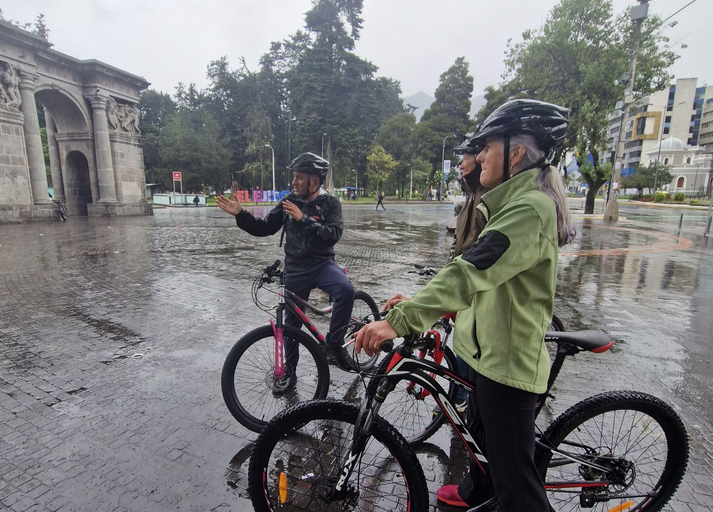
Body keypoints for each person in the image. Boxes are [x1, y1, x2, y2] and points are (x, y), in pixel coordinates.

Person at [354, 99, 573, 512]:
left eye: (487, 146)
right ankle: (476, 493)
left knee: (519, 490)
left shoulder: (529, 209)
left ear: (516, 153)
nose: (481, 155)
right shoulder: (510, 201)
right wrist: (427, 304)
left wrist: (401, 320)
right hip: (485, 353)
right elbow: (486, 285)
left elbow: (471, 272)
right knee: (481, 443)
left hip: (508, 366)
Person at [216, 152, 357, 389]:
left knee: (346, 290)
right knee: (291, 327)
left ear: (314, 180)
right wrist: (241, 215)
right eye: (294, 177)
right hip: (295, 269)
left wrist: (304, 219)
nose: (294, 182)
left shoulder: (330, 203)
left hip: (322, 265)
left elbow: (333, 234)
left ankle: (334, 345)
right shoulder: (288, 201)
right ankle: (289, 371)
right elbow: (265, 227)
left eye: (299, 178)